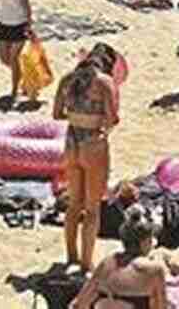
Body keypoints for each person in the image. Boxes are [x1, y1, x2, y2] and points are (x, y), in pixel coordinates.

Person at [52, 48, 119, 272]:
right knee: (92, 209)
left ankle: (71, 257)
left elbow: (57, 114)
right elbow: (112, 118)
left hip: (71, 140)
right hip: (93, 144)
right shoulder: (104, 82)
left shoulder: (68, 79)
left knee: (73, 205)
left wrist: (77, 116)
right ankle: (86, 263)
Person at [69, 204, 169, 309]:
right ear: (144, 243)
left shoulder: (107, 263)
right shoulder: (154, 269)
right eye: (150, 240)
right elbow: (162, 306)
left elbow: (80, 302)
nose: (153, 243)